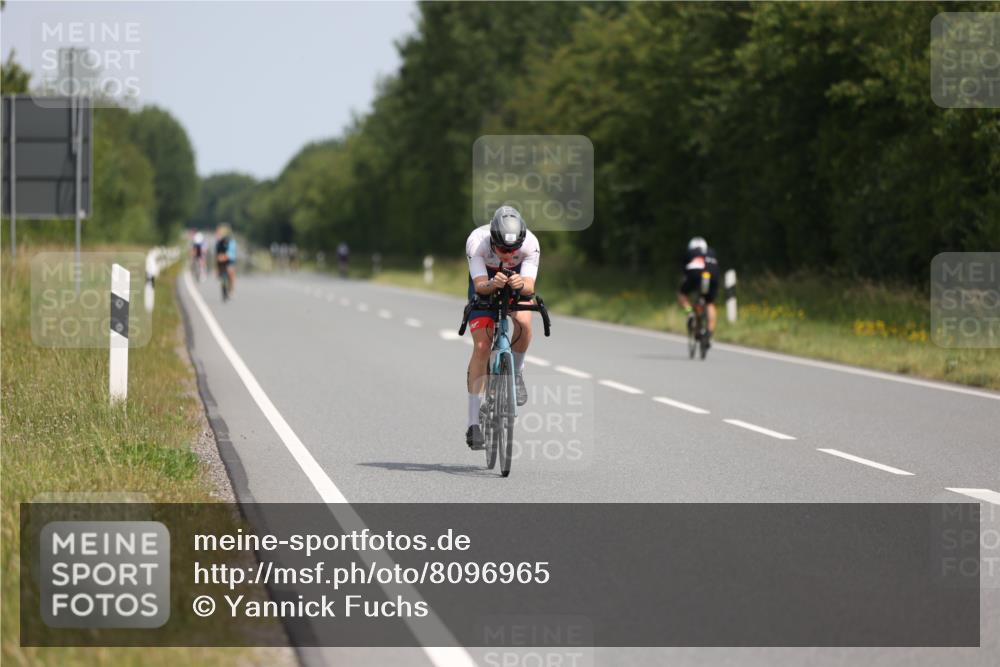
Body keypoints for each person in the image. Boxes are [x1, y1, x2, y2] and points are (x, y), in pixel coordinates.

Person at [463, 206, 541, 450]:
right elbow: (479, 285)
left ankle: (515, 373)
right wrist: (491, 282)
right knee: (482, 345)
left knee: (525, 324)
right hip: (485, 281)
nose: (508, 255)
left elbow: (529, 285)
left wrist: (521, 284)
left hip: (516, 280)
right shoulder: (477, 242)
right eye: (503, 250)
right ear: (493, 240)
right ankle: (473, 423)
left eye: (513, 250)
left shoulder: (530, 243)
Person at [677, 236, 719, 346]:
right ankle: (709, 334)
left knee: (682, 294)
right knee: (709, 303)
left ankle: (690, 312)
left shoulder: (690, 252)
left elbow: (685, 273)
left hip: (694, 275)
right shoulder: (711, 252)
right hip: (712, 276)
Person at [215, 224, 237, 297]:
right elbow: (217, 253)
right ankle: (223, 286)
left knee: (230, 270)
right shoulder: (218, 242)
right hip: (221, 259)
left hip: (230, 258)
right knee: (221, 271)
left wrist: (226, 256)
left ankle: (231, 286)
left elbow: (232, 253)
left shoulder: (231, 242)